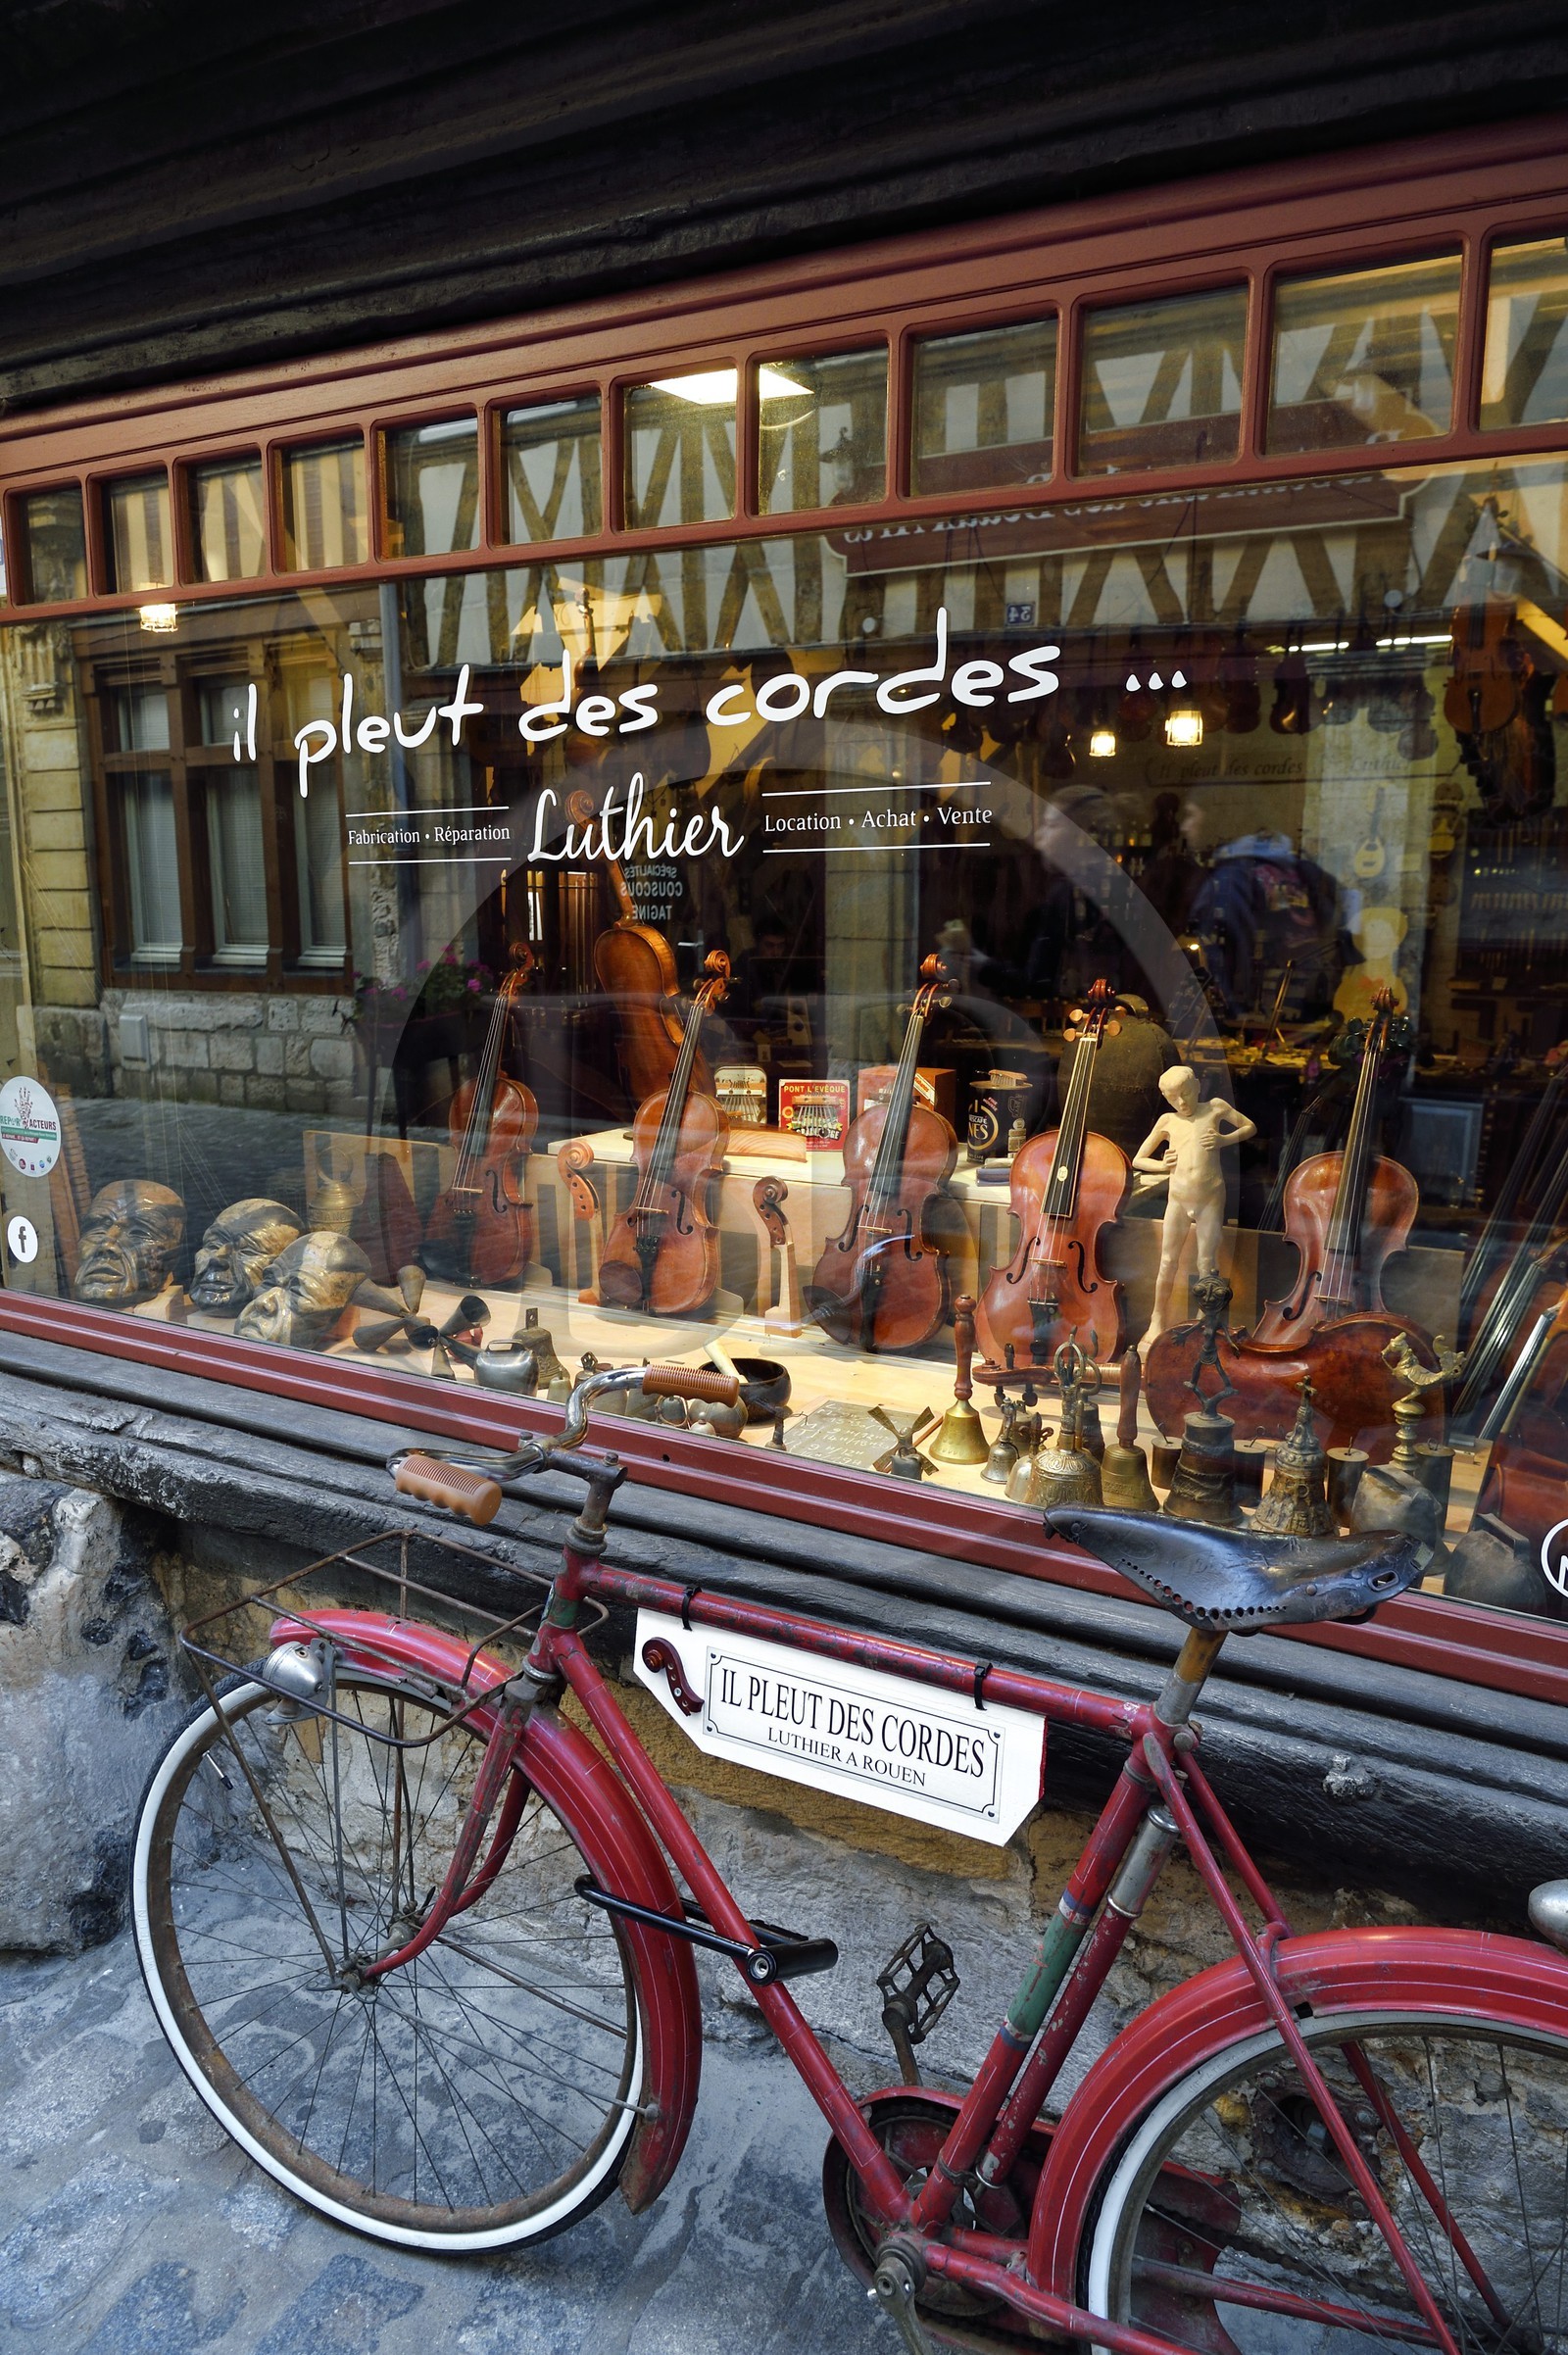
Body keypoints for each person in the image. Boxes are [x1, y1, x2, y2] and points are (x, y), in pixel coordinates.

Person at [1132, 1065, 1255, 1356]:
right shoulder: (1168, 1121)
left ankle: (1206, 1320)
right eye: (1174, 1099)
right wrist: (1162, 1165)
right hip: (1178, 1199)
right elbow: (1139, 1159)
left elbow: (1250, 1127)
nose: (1182, 1104)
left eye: (1186, 1094)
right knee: (1167, 1261)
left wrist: (1224, 1140)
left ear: (1198, 1086)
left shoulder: (1215, 1109)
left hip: (1210, 1198)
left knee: (1206, 1262)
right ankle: (1157, 1318)